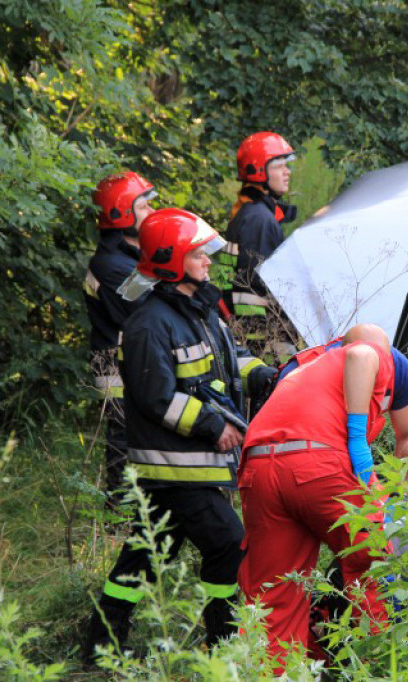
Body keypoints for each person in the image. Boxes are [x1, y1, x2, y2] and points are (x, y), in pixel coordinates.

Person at [84, 207, 276, 660]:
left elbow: (232, 360)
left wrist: (267, 375)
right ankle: (224, 642)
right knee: (230, 542)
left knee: (146, 556)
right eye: (197, 254)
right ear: (171, 260)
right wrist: (214, 426)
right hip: (178, 467)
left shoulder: (201, 309)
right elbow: (157, 397)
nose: (208, 260)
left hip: (186, 465)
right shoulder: (149, 324)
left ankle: (101, 644)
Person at [237, 323, 408, 670]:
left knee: (274, 598)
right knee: (373, 565)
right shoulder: (370, 351)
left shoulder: (302, 368)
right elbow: (362, 353)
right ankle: (382, 668)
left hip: (259, 467)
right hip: (317, 462)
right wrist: (357, 438)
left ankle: (279, 674)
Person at [84, 171, 157, 498]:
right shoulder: (111, 265)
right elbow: (146, 310)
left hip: (128, 361)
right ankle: (120, 514)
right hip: (115, 365)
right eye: (144, 207)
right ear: (121, 214)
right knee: (124, 441)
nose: (152, 214)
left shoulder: (129, 259)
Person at [221, 132, 298, 355]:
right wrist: (272, 343)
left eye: (287, 166)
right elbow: (259, 286)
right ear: (258, 172)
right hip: (264, 341)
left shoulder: (253, 214)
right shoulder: (258, 220)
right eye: (279, 166)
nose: (287, 172)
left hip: (257, 337)